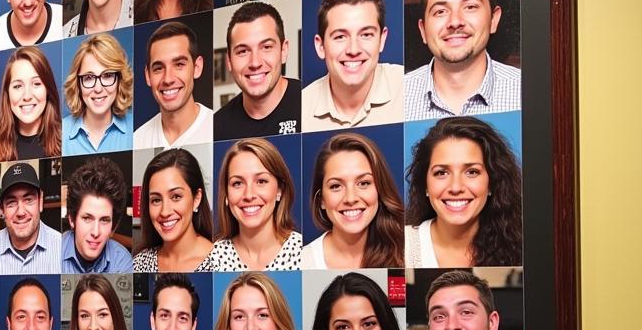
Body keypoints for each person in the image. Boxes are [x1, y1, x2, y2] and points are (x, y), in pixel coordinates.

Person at [405, 0, 521, 120]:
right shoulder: (396, 97)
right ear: (423, 30)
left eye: (470, 7)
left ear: (493, 19)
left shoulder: (525, 91)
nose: (454, 21)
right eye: (440, 11)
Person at [404, 116, 523, 267]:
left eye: (472, 172)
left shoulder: (520, 247)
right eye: (441, 173)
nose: (456, 187)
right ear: (425, 185)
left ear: (492, 182)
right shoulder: (400, 245)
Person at [300, 0, 403, 132]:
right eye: (340, 36)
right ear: (320, 46)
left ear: (382, 40)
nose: (353, 50)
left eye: (366, 35)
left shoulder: (406, 86)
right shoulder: (301, 107)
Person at [300, 133, 404, 269]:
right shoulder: (302, 261)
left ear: (380, 190)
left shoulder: (407, 252)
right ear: (321, 200)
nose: (350, 198)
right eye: (336, 186)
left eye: (363, 183)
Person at [208, 137, 304, 271]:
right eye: (238, 183)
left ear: (279, 190)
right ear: (226, 195)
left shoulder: (304, 252)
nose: (249, 195)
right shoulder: (211, 257)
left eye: (261, 181)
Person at [214, 1, 300, 140]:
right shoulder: (217, 127)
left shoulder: (310, 103)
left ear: (283, 51)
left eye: (266, 47)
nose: (255, 63)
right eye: (243, 51)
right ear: (229, 61)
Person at [133, 21, 214, 148]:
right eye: (158, 68)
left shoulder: (217, 128)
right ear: (148, 76)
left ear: (197, 67)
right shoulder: (137, 140)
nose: (168, 79)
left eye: (179, 64)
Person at [133, 148, 214, 272]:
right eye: (156, 200)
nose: (165, 212)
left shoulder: (221, 261)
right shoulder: (138, 263)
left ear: (196, 198)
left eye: (176, 197)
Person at [61, 33, 133, 154]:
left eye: (107, 75)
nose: (98, 88)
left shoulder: (134, 129)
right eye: (89, 77)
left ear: (119, 80)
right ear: (77, 84)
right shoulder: (60, 132)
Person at [62, 158, 133, 273]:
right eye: (87, 218)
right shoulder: (53, 254)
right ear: (71, 219)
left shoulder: (122, 260)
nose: (95, 232)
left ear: (113, 226)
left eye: (104, 220)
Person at [0, 161, 61, 274]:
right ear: (2, 209)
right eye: (11, 202)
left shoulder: (60, 247)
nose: (20, 212)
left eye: (28, 200)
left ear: (40, 201)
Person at [0, 46, 63, 161]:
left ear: (48, 89)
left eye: (36, 84)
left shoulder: (67, 142)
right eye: (18, 86)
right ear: (7, 94)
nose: (27, 96)